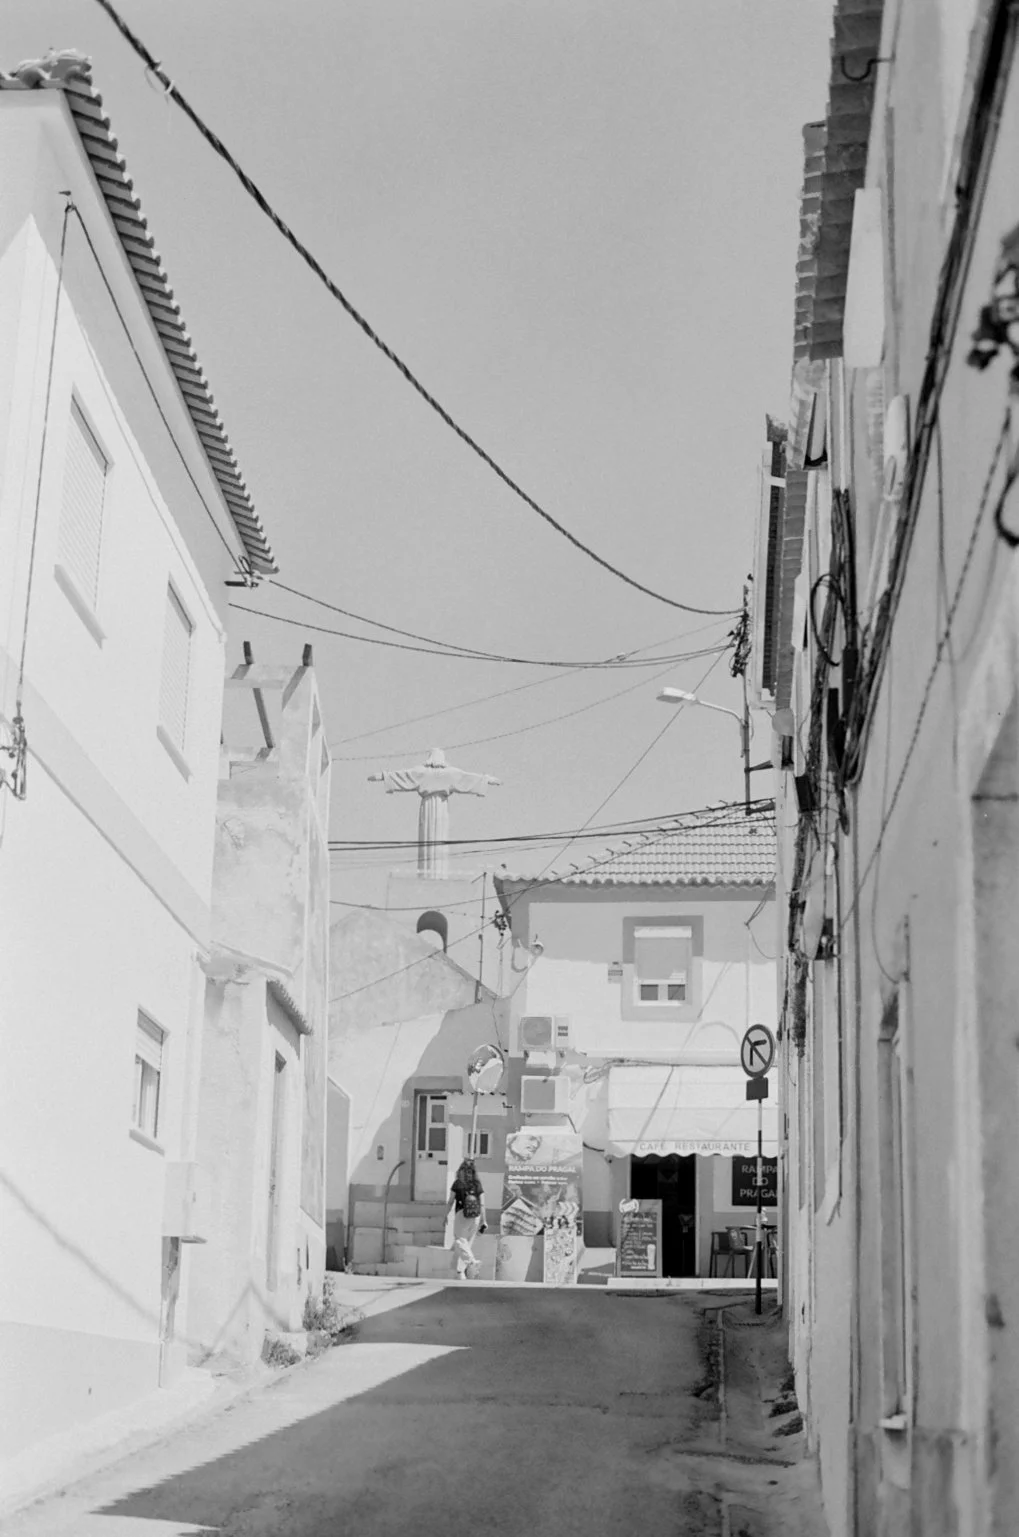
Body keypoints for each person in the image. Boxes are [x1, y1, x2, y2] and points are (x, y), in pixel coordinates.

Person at [446, 1158, 487, 1279]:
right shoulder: (477, 1184)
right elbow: (483, 1204)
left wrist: (445, 1215)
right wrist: (484, 1221)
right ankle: (460, 1272)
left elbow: (450, 1202)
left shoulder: (457, 1183)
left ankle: (471, 1262)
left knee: (459, 1241)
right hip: (476, 1216)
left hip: (461, 1215)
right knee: (466, 1245)